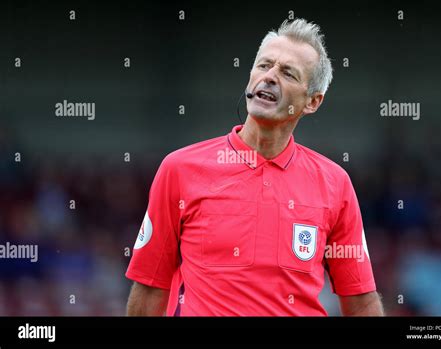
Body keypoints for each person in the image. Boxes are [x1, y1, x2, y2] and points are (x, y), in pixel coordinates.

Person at [126, 18, 384, 316]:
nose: (270, 77)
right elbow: (149, 286)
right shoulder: (179, 169)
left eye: (288, 73)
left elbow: (361, 302)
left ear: (312, 101)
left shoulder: (335, 184)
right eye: (264, 66)